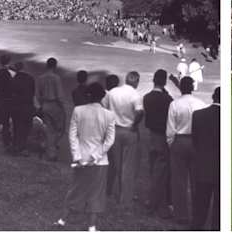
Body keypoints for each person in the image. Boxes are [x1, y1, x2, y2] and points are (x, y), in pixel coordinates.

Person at [53, 82, 116, 232]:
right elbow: (109, 141)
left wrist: (78, 156)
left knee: (76, 189)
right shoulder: (109, 115)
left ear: (88, 95)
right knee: (96, 193)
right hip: (99, 162)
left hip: (81, 159)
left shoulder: (78, 110)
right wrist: (95, 157)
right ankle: (91, 228)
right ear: (102, 96)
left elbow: (73, 135)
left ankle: (62, 220)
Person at [166, 76, 206, 225]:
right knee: (197, 180)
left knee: (179, 180)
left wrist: (172, 143)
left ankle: (181, 214)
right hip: (196, 141)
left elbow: (170, 129)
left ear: (181, 87)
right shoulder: (201, 103)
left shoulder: (175, 104)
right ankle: (197, 213)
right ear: (192, 87)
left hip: (180, 140)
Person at [102, 71, 144, 206]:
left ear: (126, 80)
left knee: (115, 162)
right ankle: (125, 198)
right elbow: (139, 112)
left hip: (115, 129)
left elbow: (105, 109)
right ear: (136, 81)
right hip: (128, 130)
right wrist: (134, 124)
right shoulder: (136, 95)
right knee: (128, 165)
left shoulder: (113, 92)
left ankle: (109, 190)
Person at [142, 69, 173, 218]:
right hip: (162, 135)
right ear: (164, 82)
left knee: (153, 168)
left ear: (153, 80)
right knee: (161, 172)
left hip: (151, 134)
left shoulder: (146, 97)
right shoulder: (168, 99)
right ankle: (156, 203)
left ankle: (153, 199)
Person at [191, 87, 220, 230]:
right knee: (220, 208)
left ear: (213, 97)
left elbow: (195, 140)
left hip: (204, 163)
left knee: (201, 201)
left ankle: (197, 228)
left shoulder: (198, 115)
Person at [36, 57, 66, 161]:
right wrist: (63, 107)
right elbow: (59, 95)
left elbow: (38, 95)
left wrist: (41, 105)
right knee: (58, 128)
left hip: (45, 104)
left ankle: (46, 145)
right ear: (55, 66)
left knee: (48, 128)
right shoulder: (56, 78)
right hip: (55, 105)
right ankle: (51, 152)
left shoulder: (40, 78)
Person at [8, 62, 36, 156]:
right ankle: (22, 147)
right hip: (27, 106)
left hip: (15, 106)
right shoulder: (30, 78)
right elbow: (32, 93)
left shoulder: (13, 79)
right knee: (26, 127)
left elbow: (11, 92)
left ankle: (16, 145)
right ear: (24, 68)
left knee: (16, 126)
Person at [0, 55, 15, 148]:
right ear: (9, 62)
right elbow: (10, 86)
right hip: (7, 99)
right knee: (7, 121)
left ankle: (4, 140)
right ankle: (7, 141)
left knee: (4, 120)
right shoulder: (8, 73)